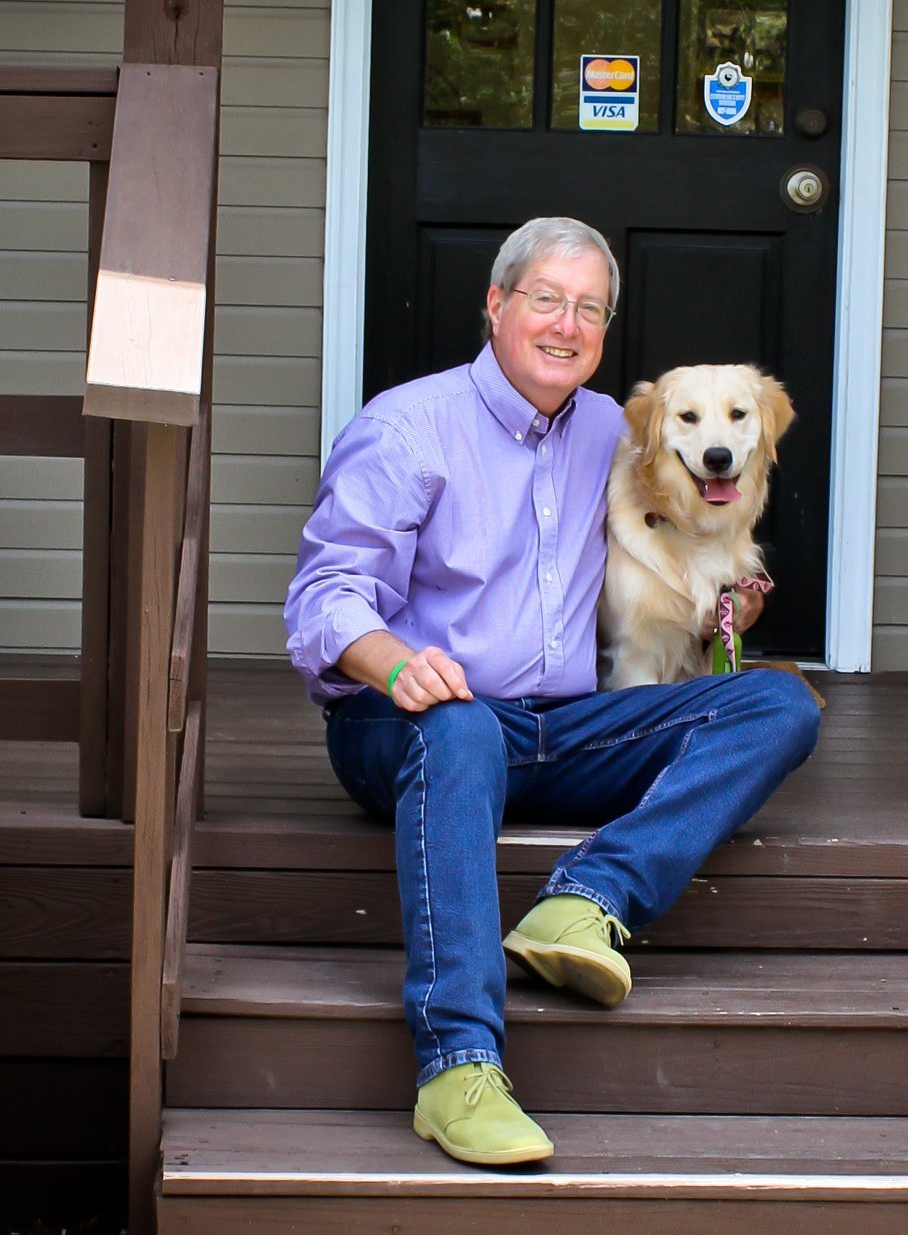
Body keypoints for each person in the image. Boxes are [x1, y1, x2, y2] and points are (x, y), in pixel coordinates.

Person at [283, 217, 822, 1167]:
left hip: (554, 728)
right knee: (457, 731)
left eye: (590, 309)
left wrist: (723, 599)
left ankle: (585, 899)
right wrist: (396, 662)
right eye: (545, 299)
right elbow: (325, 597)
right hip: (408, 722)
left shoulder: (616, 433)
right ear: (495, 305)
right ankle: (457, 1063)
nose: (566, 325)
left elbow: (688, 520)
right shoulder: (408, 425)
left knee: (778, 704)